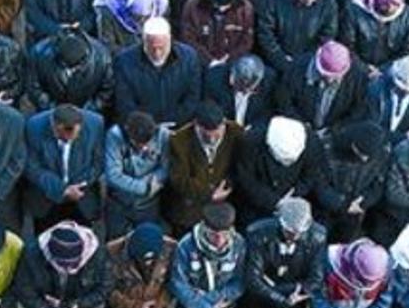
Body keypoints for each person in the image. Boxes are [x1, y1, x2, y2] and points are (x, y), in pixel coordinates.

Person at [226, 196, 325, 308]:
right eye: (290, 232)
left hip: (292, 299)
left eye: (300, 232)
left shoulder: (317, 237)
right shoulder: (257, 232)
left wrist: (298, 292)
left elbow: (316, 277)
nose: (295, 237)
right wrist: (278, 296)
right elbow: (253, 277)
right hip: (259, 296)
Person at [170, 202, 247, 308]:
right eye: (214, 235)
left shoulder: (239, 245)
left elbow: (239, 281)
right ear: (204, 227)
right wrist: (205, 306)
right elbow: (178, 283)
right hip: (189, 307)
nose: (219, 241)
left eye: (224, 234)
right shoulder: (186, 245)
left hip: (220, 306)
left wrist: (213, 299)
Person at [166, 101, 243, 235]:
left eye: (216, 133)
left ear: (224, 123)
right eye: (207, 134)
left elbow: (240, 166)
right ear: (197, 125)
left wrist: (227, 187)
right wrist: (210, 193)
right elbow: (179, 180)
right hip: (190, 206)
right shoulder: (179, 140)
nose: (212, 138)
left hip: (225, 203)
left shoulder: (236, 132)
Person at [24, 104, 105, 231]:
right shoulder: (34, 126)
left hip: (82, 195)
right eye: (63, 138)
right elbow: (31, 166)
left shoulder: (96, 123)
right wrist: (61, 190)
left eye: (73, 138)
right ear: (54, 127)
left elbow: (99, 162)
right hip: (46, 196)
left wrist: (79, 185)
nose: (68, 142)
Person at [233, 115, 325, 225]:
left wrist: (293, 196)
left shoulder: (312, 143)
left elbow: (311, 175)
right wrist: (276, 202)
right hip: (255, 201)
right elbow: (246, 178)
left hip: (291, 198)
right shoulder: (251, 140)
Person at [113, 16, 202, 127]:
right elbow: (125, 103)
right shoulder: (124, 61)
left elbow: (192, 98)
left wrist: (173, 121)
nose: (157, 53)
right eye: (152, 48)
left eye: (161, 47)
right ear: (143, 41)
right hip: (141, 129)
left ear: (170, 39)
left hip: (179, 126)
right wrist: (148, 124)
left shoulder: (188, 58)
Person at [315, 121, 389, 241]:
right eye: (362, 153)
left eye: (368, 156)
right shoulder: (329, 147)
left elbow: (378, 184)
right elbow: (320, 184)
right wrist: (343, 204)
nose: (365, 159)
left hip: (354, 212)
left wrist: (364, 201)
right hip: (325, 210)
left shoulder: (381, 153)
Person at [275, 40, 368, 134]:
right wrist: (300, 124)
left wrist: (335, 130)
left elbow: (358, 109)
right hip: (299, 131)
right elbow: (284, 102)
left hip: (335, 134)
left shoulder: (358, 76)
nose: (330, 80)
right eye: (325, 75)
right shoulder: (296, 68)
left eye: (335, 77)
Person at [104, 111, 169, 238]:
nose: (143, 148)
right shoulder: (115, 135)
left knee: (147, 238)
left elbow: (166, 167)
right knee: (115, 240)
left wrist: (156, 179)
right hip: (119, 202)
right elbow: (113, 175)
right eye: (138, 144)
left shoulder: (162, 135)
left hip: (149, 204)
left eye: (147, 144)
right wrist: (145, 187)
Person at [26, 28, 114, 113]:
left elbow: (107, 89)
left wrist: (89, 110)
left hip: (87, 113)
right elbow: (34, 87)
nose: (73, 70)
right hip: (50, 113)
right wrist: (51, 109)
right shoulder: (39, 53)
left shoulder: (102, 57)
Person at [342, 0, 409, 69]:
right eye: (385, 3)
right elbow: (347, 46)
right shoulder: (354, 11)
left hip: (392, 69)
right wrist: (365, 68)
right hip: (358, 67)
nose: (390, 8)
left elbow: (408, 50)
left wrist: (384, 69)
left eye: (395, 4)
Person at [180, 0, 254, 66]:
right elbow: (188, 38)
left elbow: (246, 40)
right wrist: (209, 60)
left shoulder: (245, 7)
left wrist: (230, 58)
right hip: (200, 62)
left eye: (227, 5)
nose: (222, 9)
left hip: (233, 62)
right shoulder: (193, 5)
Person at [366, 56, 409, 142]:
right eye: (401, 89)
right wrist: (401, 137)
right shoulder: (376, 89)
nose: (404, 93)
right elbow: (371, 128)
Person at [204, 53, 275, 129]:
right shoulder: (213, 78)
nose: (244, 92)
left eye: (249, 89)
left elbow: (267, 114)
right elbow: (210, 110)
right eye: (240, 88)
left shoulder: (270, 81)